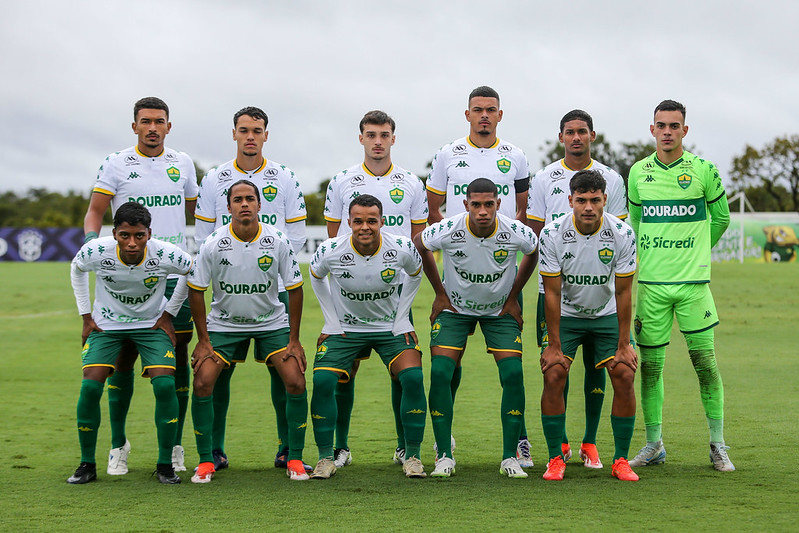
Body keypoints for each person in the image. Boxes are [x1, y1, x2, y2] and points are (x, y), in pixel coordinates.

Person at [83, 97, 198, 474]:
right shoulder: (116, 163)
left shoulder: (182, 164)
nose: (152, 127)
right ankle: (118, 445)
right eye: (145, 121)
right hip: (128, 272)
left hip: (171, 275)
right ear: (135, 126)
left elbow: (194, 212)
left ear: (169, 126)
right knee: (121, 360)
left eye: (159, 121)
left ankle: (175, 445)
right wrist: (91, 244)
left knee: (177, 361)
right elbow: (96, 212)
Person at [194, 106, 308, 472]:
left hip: (271, 291)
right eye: (244, 130)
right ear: (234, 134)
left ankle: (286, 448)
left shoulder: (284, 176)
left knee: (284, 373)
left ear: (265, 135)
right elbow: (203, 236)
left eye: (257, 130)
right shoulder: (214, 178)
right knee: (217, 375)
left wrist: (271, 268)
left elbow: (296, 234)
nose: (250, 137)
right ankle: (215, 450)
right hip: (228, 295)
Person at [426, 86, 534, 466]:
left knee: (513, 370)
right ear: (467, 114)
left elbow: (523, 213)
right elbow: (433, 208)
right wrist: (459, 241)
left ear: (499, 115)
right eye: (478, 110)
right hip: (458, 269)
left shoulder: (515, 155)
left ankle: (518, 441)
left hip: (500, 273)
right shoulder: (448, 154)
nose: (484, 115)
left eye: (491, 110)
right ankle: (445, 437)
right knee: (446, 367)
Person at [627, 100, 734, 472]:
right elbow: (636, 226)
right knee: (650, 369)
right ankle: (654, 444)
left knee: (705, 364)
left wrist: (696, 252)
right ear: (652, 129)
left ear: (684, 131)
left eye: (675, 125)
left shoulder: (703, 170)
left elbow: (721, 218)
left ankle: (718, 445)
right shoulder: (638, 173)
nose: (668, 131)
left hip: (693, 287)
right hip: (652, 287)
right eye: (661, 125)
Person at [323, 110, 428, 469]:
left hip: (395, 292)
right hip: (349, 291)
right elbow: (333, 236)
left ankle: (404, 447)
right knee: (342, 373)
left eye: (384, 134)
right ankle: (340, 447)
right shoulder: (341, 181)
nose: (378, 141)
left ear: (393, 139)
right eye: (371, 134)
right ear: (361, 138)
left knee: (403, 372)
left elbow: (418, 239)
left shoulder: (412, 182)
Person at [414, 178, 538, 478]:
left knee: (513, 374)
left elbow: (533, 251)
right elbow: (419, 244)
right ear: (466, 204)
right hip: (456, 308)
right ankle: (444, 454)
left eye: (489, 204)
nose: (483, 211)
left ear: (498, 204)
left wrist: (513, 296)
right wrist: (439, 292)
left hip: (499, 311)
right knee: (442, 372)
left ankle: (510, 456)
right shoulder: (450, 228)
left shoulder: (514, 231)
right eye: (476, 205)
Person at [525, 109, 629, 468]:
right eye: (570, 132)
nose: (576, 138)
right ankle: (562, 446)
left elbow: (614, 238)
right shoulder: (543, 178)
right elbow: (535, 235)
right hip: (553, 287)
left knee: (600, 366)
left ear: (592, 136)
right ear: (561, 137)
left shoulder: (612, 180)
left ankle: (590, 441)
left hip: (600, 292)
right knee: (557, 366)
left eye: (582, 131)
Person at [67, 201, 192, 484]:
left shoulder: (165, 253)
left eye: (139, 235)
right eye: (125, 235)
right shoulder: (96, 251)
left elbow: (190, 271)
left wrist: (168, 314)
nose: (132, 243)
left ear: (149, 233)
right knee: (89, 385)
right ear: (114, 234)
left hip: (150, 325)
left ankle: (164, 465)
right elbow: (77, 269)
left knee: (163, 383)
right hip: (107, 325)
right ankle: (87, 463)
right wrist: (86, 316)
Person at [309, 194, 427, 479]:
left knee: (413, 377)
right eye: (358, 221)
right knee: (323, 380)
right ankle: (326, 457)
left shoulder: (400, 247)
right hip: (346, 329)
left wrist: (401, 318)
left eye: (372, 221)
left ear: (382, 222)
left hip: (389, 328)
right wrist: (330, 321)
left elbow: (416, 273)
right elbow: (315, 276)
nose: (365, 227)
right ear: (348, 222)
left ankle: (411, 455)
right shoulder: (330, 250)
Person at [537, 170, 639, 481]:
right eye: (581, 200)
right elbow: (552, 292)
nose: (588, 207)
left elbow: (623, 291)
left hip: (606, 315)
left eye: (595, 200)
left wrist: (624, 344)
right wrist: (553, 345)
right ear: (570, 200)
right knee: (554, 373)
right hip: (567, 315)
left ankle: (621, 460)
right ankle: (556, 458)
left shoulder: (622, 234)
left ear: (605, 200)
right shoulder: (552, 234)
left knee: (624, 374)